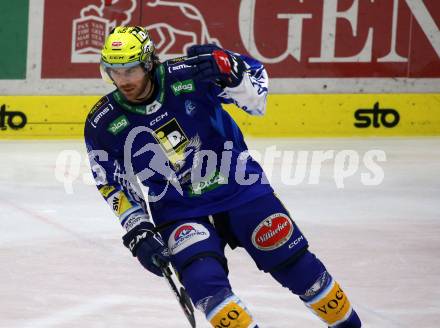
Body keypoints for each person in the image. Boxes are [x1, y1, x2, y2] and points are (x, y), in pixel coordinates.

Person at [85, 26, 362, 328]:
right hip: (179, 210)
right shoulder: (104, 121)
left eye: (131, 70)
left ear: (150, 63)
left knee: (298, 267)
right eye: (114, 72)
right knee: (205, 285)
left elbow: (257, 102)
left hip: (240, 188)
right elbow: (111, 182)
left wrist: (235, 71)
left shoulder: (190, 74)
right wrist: (138, 229)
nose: (123, 81)